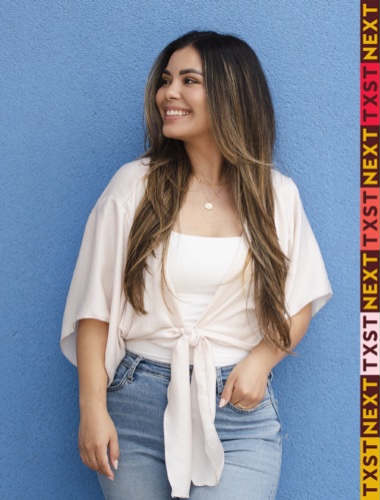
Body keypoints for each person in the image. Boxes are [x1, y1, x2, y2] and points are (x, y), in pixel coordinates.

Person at [60, 31, 331, 499]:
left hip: (237, 410)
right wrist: (92, 408)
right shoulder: (133, 186)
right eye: (167, 80)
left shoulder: (276, 194)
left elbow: (301, 296)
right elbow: (94, 308)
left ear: (231, 94)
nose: (170, 93)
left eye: (190, 81)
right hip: (137, 401)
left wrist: (262, 362)